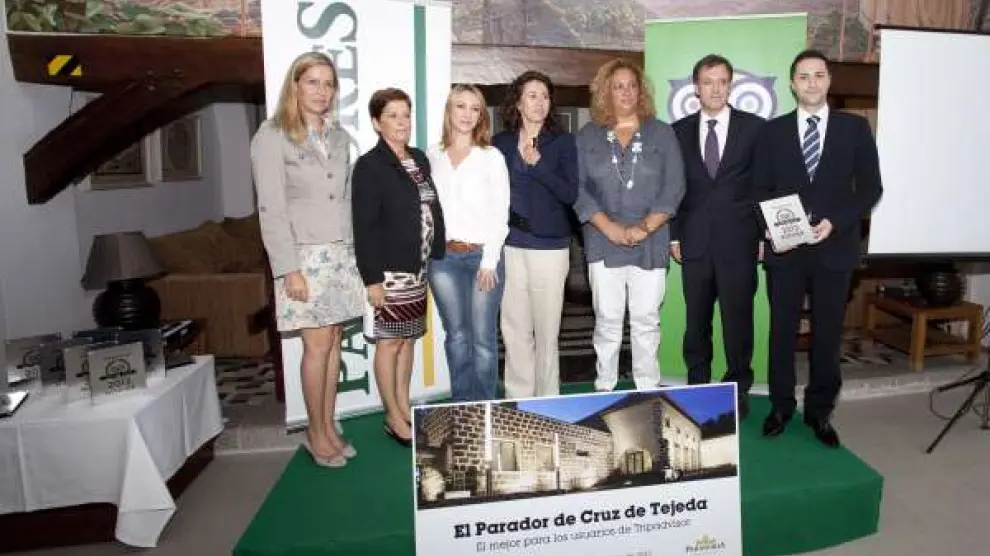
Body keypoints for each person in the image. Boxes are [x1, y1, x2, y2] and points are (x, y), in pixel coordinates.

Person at [753, 49, 882, 447]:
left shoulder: (854, 129)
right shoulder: (771, 132)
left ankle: (819, 411)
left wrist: (836, 221)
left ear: (829, 80)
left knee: (827, 335)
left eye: (819, 75)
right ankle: (780, 407)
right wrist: (769, 228)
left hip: (835, 248)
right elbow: (758, 188)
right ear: (793, 84)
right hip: (785, 251)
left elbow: (871, 188)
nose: (812, 82)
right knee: (782, 333)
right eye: (804, 76)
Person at [250, 51, 364, 468]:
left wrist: (355, 255)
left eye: (328, 83)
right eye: (312, 82)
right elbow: (271, 208)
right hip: (303, 258)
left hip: (341, 254)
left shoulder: (338, 136)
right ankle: (315, 435)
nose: (321, 91)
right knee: (316, 347)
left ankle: (328, 425)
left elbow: (345, 199)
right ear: (295, 85)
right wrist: (288, 269)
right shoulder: (272, 135)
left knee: (332, 343)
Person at [573, 59, 686, 392]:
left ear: (641, 91)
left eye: (632, 85)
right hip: (601, 239)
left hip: (650, 240)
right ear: (606, 92)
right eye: (618, 86)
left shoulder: (662, 133)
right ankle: (604, 387)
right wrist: (608, 227)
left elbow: (674, 187)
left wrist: (644, 228)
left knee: (646, 322)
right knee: (607, 321)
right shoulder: (587, 135)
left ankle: (647, 388)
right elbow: (577, 188)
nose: (626, 92)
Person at [670, 54, 765, 419]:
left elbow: (763, 185)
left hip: (740, 242)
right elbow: (672, 188)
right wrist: (673, 235)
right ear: (696, 87)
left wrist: (763, 234)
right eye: (708, 82)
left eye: (722, 82)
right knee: (697, 323)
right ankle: (698, 386)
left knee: (738, 323)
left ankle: (738, 388)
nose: (715, 89)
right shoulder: (677, 131)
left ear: (730, 85)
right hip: (693, 242)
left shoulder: (755, 129)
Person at [352, 88, 446, 447]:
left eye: (405, 114)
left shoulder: (418, 158)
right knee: (389, 343)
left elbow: (429, 207)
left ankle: (404, 405)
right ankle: (392, 416)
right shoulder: (370, 166)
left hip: (417, 269)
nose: (402, 122)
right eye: (392, 115)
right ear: (377, 122)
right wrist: (373, 280)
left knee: (407, 340)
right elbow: (364, 227)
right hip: (390, 273)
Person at [492, 71, 579, 399]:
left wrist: (540, 165)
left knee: (546, 331)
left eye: (545, 96)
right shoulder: (500, 143)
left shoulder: (563, 142)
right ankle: (519, 397)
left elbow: (570, 193)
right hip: (510, 246)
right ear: (518, 102)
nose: (540, 102)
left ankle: (547, 399)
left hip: (550, 248)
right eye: (532, 95)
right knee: (514, 328)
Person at [427, 84, 510, 402]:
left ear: (481, 116)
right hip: (442, 260)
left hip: (482, 259)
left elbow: (500, 212)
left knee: (483, 340)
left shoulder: (491, 157)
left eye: (475, 108)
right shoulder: (433, 155)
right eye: (460, 106)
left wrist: (490, 261)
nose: (467, 114)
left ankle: (486, 406)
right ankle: (462, 405)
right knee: (457, 337)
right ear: (449, 111)